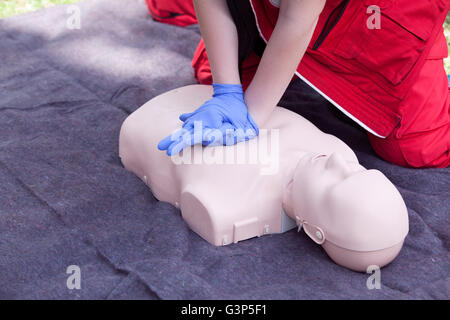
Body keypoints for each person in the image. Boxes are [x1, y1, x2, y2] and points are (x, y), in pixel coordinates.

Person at [119, 84, 409, 272]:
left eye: (336, 181)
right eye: (358, 170)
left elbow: (198, 199)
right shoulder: (337, 152)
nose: (337, 162)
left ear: (314, 231)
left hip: (152, 124)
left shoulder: (232, 203)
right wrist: (227, 91)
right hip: (206, 97)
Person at [152, 0, 450, 168]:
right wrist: (227, 92)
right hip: (281, 11)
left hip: (377, 18)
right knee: (211, 73)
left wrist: (252, 116)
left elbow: (298, 19)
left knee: (418, 149)